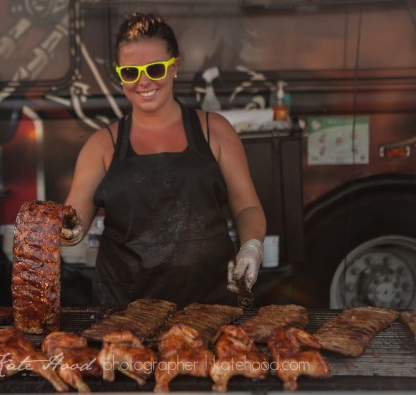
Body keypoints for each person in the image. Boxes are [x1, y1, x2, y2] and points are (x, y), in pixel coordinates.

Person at [59, 13, 266, 307]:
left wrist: (252, 247)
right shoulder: (101, 145)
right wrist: (66, 230)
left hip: (210, 306)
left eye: (155, 69)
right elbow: (74, 218)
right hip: (124, 311)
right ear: (120, 74)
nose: (143, 82)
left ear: (175, 67)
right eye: (130, 72)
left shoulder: (214, 131)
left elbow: (247, 206)